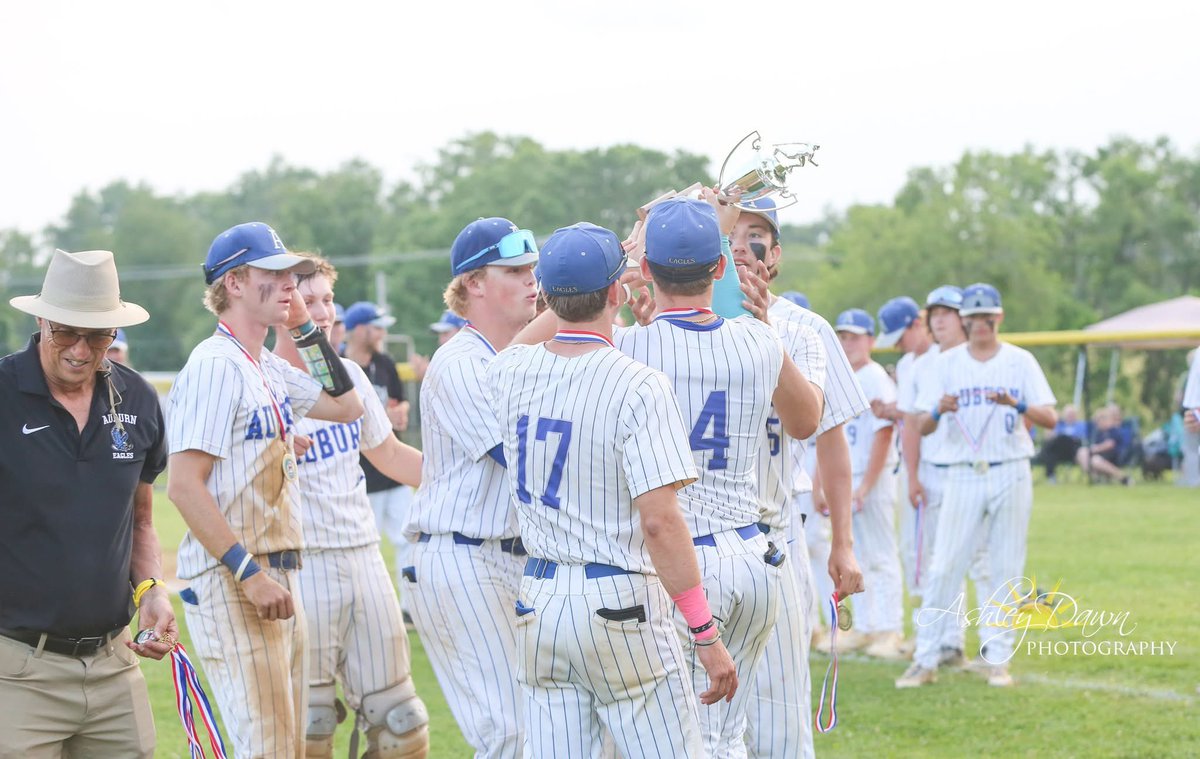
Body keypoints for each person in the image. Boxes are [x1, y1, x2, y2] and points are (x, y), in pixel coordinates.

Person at [486, 222, 737, 757]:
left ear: (547, 296)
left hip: (540, 598)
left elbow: (532, 335)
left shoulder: (510, 369)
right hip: (617, 599)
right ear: (617, 292)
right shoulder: (638, 382)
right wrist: (705, 632)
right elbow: (659, 521)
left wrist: (573, 286)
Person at [611, 195, 825, 755]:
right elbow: (807, 421)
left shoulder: (629, 346)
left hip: (680, 565)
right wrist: (765, 324)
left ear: (650, 271)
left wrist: (633, 251)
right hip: (752, 556)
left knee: (686, 737)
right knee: (729, 735)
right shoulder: (757, 340)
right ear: (722, 267)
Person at [166, 222, 364, 757]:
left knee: (286, 747)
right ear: (233, 282)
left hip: (273, 571)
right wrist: (248, 574)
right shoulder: (215, 365)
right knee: (267, 749)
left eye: (290, 276)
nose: (289, 285)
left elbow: (347, 406)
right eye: (273, 274)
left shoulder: (266, 365)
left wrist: (303, 327)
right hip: (235, 578)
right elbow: (183, 488)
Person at [0, 249, 174, 756]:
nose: (81, 349)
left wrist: (153, 592)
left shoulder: (138, 399)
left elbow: (140, 523)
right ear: (41, 321)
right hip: (17, 672)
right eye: (66, 332)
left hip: (114, 666)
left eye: (98, 335)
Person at [272, 255, 430, 758]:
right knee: (311, 726)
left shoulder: (352, 379)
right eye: (307, 300)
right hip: (303, 564)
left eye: (326, 300)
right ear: (281, 305)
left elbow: (389, 455)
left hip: (363, 559)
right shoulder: (260, 381)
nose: (321, 313)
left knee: (403, 725)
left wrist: (470, 481)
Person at [728, 198, 865, 759]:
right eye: (730, 231)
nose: (741, 243)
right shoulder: (677, 321)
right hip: (695, 539)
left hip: (774, 533)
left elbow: (828, 436)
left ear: (776, 252)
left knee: (780, 711)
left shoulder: (804, 328)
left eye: (756, 233)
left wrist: (844, 544)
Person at [401, 216, 540, 757]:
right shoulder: (460, 362)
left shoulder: (526, 358)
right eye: (514, 269)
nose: (532, 280)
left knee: (555, 727)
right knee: (508, 733)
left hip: (515, 561)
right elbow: (519, 459)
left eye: (533, 268)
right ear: (474, 283)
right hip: (463, 558)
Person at [898, 283, 1057, 689]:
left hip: (1011, 466)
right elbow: (923, 425)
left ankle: (997, 657)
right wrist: (939, 409)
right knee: (944, 564)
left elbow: (1050, 418)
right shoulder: (947, 364)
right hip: (963, 469)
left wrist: (1017, 405)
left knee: (1005, 564)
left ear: (998, 319)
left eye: (987, 318)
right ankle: (926, 657)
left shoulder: (1020, 361)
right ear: (965, 323)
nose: (980, 326)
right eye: (973, 320)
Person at [897, 285, 978, 667]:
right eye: (935, 312)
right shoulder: (923, 364)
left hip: (973, 472)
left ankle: (985, 643)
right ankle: (945, 638)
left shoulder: (979, 359)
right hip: (933, 469)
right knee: (933, 558)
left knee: (978, 559)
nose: (940, 319)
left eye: (948, 312)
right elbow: (913, 424)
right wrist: (912, 475)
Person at [835, 308, 906, 658]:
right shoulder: (845, 376)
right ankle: (864, 625)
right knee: (856, 554)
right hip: (849, 476)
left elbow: (883, 436)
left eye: (854, 337)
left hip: (871, 476)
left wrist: (866, 486)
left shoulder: (876, 377)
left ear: (870, 341)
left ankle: (889, 628)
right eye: (843, 337)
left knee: (880, 554)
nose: (848, 343)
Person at [341, 301, 414, 564]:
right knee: (364, 549)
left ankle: (408, 606)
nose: (383, 334)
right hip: (361, 474)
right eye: (377, 328)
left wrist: (400, 411)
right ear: (360, 330)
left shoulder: (384, 363)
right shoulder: (339, 366)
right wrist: (384, 415)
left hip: (394, 472)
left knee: (410, 540)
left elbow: (399, 398)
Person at [1076, 405, 1133, 485]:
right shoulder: (1098, 433)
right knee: (1081, 452)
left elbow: (1110, 444)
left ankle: (1122, 477)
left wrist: (1094, 449)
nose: (1098, 423)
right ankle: (1094, 477)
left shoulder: (1114, 430)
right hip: (1098, 455)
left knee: (1094, 460)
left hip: (1114, 456)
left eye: (1100, 420)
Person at [411, 309, 467, 382]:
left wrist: (428, 372)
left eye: (445, 333)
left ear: (462, 331)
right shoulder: (441, 357)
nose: (441, 340)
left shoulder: (474, 358)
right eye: (440, 334)